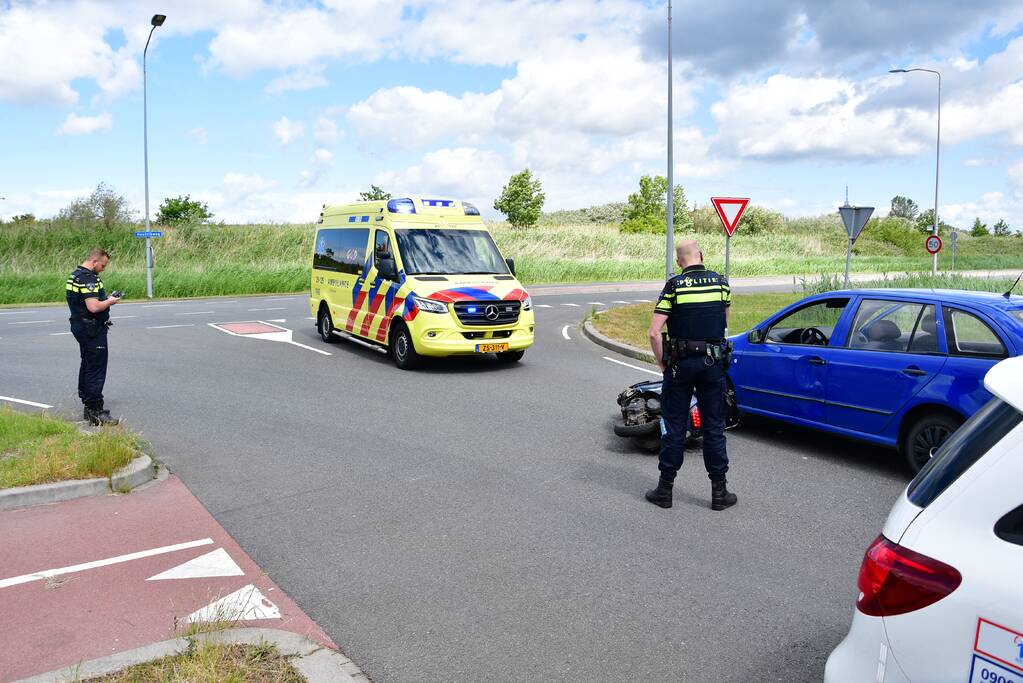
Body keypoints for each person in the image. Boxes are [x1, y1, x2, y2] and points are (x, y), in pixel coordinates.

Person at [644, 240, 737, 511]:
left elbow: (653, 332)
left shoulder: (674, 286)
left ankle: (665, 491)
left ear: (678, 262)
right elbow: (725, 321)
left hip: (680, 367)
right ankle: (719, 493)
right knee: (714, 429)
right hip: (713, 365)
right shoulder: (721, 283)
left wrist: (663, 364)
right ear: (701, 256)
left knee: (674, 429)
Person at [66, 248, 121, 425]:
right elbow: (94, 307)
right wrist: (110, 301)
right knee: (96, 367)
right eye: (103, 265)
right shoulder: (88, 278)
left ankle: (87, 402)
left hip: (80, 325)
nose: (103, 269)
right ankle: (96, 410)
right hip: (91, 329)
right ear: (94, 261)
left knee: (87, 362)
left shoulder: (74, 275)